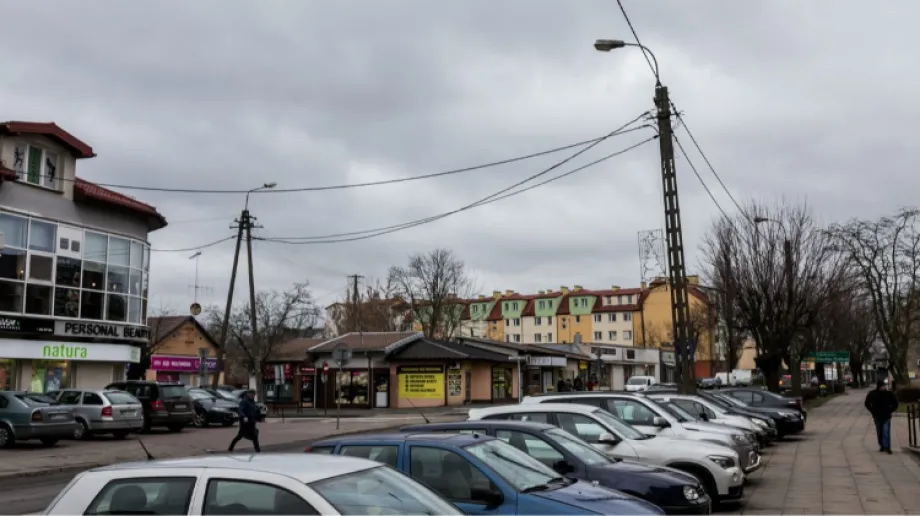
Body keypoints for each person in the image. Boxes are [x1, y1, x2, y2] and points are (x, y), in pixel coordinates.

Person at [864, 379, 898, 454]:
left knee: (886, 431)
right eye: (883, 386)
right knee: (879, 431)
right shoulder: (872, 394)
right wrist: (872, 410)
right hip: (877, 415)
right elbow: (867, 403)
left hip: (886, 415)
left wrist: (890, 410)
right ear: (879, 387)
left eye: (885, 386)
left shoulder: (889, 394)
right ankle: (882, 445)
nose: (884, 387)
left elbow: (895, 403)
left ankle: (887, 447)